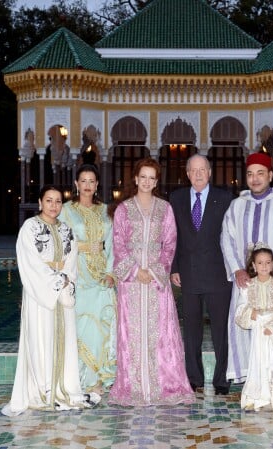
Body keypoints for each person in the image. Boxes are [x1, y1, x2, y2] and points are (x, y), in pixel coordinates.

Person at [2, 185, 100, 417]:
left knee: (63, 341)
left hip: (62, 289)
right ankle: (42, 391)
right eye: (49, 200)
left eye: (58, 201)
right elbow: (29, 261)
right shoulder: (30, 227)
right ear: (40, 203)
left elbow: (71, 258)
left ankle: (62, 387)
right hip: (40, 295)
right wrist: (54, 281)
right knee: (40, 339)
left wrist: (65, 279)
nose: (54, 205)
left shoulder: (66, 229)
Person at [108, 158, 195, 406]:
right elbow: (118, 246)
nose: (146, 182)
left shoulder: (165, 209)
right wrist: (136, 272)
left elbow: (170, 244)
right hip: (131, 283)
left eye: (151, 178)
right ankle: (134, 386)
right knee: (132, 334)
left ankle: (163, 385)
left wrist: (156, 271)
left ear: (156, 181)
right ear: (135, 178)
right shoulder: (123, 209)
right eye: (142, 177)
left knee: (161, 333)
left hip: (156, 281)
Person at [221, 152, 273, 406]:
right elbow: (227, 238)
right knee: (247, 325)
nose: (255, 179)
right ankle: (252, 378)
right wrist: (237, 269)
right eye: (250, 174)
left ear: (270, 175)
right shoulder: (237, 205)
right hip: (247, 281)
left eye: (260, 173)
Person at [170, 154, 233, 394]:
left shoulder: (225, 198)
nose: (198, 174)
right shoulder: (176, 199)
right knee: (191, 331)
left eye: (202, 170)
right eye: (193, 170)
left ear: (209, 172)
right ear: (187, 174)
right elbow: (171, 235)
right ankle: (193, 379)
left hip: (218, 275)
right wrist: (174, 267)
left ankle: (222, 380)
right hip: (187, 274)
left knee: (220, 331)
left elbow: (232, 236)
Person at [59, 164, 117, 395]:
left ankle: (103, 376)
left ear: (97, 185)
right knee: (83, 327)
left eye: (91, 181)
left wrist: (112, 273)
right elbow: (59, 241)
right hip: (79, 276)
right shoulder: (65, 210)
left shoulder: (106, 211)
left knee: (104, 325)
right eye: (83, 180)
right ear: (76, 184)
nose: (87, 185)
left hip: (102, 277)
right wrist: (81, 247)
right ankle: (86, 378)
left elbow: (113, 244)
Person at [234, 243, 273, 415]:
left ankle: (272, 396)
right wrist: (251, 313)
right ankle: (256, 397)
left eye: (268, 262)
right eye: (260, 263)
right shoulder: (247, 286)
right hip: (257, 329)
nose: (264, 266)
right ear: (253, 265)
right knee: (257, 362)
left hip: (271, 329)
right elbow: (240, 307)